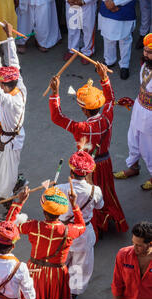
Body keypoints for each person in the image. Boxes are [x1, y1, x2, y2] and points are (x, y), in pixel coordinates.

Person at [48, 62, 129, 240]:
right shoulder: (107, 117)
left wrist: (55, 94)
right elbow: (110, 98)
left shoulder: (80, 127)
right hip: (105, 162)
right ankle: (109, 219)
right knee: (105, 193)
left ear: (84, 109)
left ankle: (93, 225)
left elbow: (57, 117)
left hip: (86, 168)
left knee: (85, 197)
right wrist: (104, 78)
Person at [5, 185, 86, 299]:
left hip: (34, 272)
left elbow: (8, 226)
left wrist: (20, 202)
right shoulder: (69, 231)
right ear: (60, 212)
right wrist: (74, 205)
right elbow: (82, 226)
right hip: (57, 275)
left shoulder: (33, 226)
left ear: (44, 211)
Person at [0, 24, 27, 220]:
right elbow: (14, 63)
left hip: (8, 142)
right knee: (0, 168)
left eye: (1, 82)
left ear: (5, 85)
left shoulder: (9, 100)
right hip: (9, 138)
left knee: (3, 181)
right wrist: (9, 38)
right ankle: (15, 183)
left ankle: (10, 207)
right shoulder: (20, 87)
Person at [56, 150, 103, 299]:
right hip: (83, 233)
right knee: (80, 265)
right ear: (88, 172)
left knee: (59, 261)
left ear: (71, 170)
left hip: (62, 231)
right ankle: (73, 293)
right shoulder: (95, 191)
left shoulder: (60, 188)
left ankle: (57, 287)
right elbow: (99, 206)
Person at [114, 34, 152, 191]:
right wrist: (135, 102)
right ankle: (133, 168)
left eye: (150, 52)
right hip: (139, 108)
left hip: (150, 116)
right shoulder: (146, 66)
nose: (146, 54)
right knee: (133, 140)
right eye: (145, 50)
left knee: (149, 148)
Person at [111, 221, 152, 299]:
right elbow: (117, 283)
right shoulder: (123, 255)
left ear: (150, 243)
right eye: (133, 243)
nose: (134, 248)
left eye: (139, 245)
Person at [98, 0, 136, 80]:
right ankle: (109, 60)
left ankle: (124, 65)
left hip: (124, 6)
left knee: (125, 39)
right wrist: (107, 2)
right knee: (107, 36)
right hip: (107, 6)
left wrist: (115, 3)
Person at [63, 0, 97, 64]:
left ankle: (87, 51)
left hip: (88, 5)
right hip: (71, 4)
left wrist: (84, 1)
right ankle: (72, 49)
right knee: (72, 28)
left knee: (88, 29)